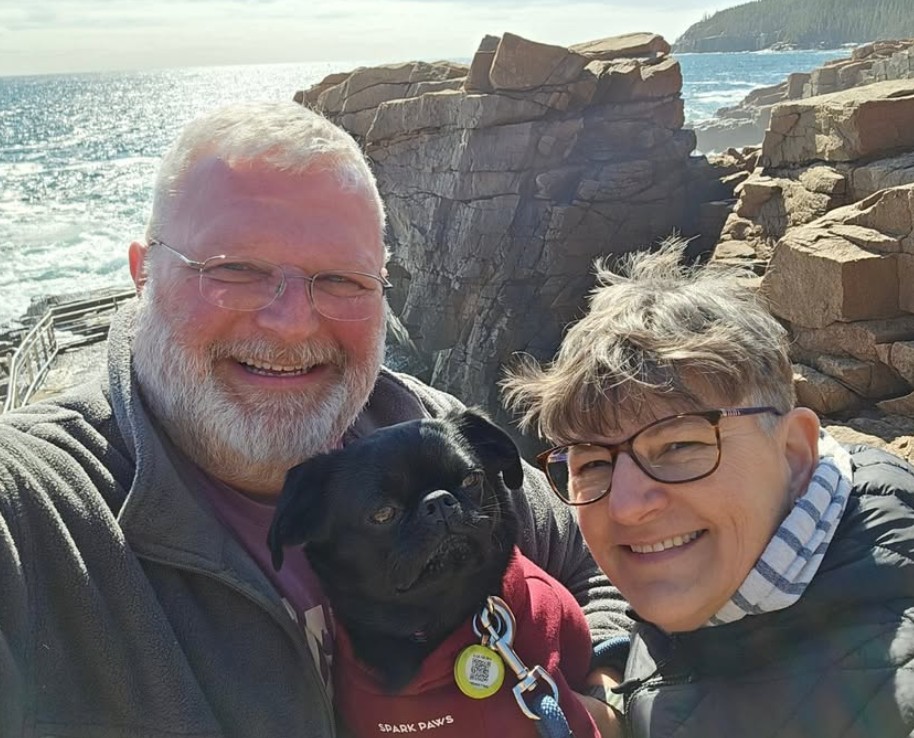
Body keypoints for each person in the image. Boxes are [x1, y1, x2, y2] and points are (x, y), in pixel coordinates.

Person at [0, 102, 630, 737]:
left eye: (342, 280)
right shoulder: (37, 509)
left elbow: (606, 561)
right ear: (143, 275)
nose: (293, 320)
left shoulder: (428, 428)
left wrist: (598, 702)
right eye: (234, 270)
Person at [501, 241, 914, 737]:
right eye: (591, 462)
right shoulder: (726, 589)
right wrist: (613, 707)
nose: (628, 507)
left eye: (678, 446)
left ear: (794, 453)